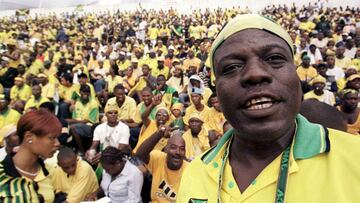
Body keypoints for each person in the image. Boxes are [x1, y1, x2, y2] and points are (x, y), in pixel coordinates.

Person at [177, 14, 360, 203]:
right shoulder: (196, 172)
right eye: (232, 67)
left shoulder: (355, 158)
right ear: (217, 94)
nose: (255, 74)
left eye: (274, 58)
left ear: (296, 77)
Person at [0, 109, 62, 202]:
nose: (57, 143)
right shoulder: (2, 174)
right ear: (29, 137)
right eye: (52, 138)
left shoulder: (50, 172)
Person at [136, 125, 188, 202]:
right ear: (166, 149)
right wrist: (159, 134)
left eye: (182, 149)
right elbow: (140, 155)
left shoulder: (189, 169)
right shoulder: (158, 157)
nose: (178, 152)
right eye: (173, 147)